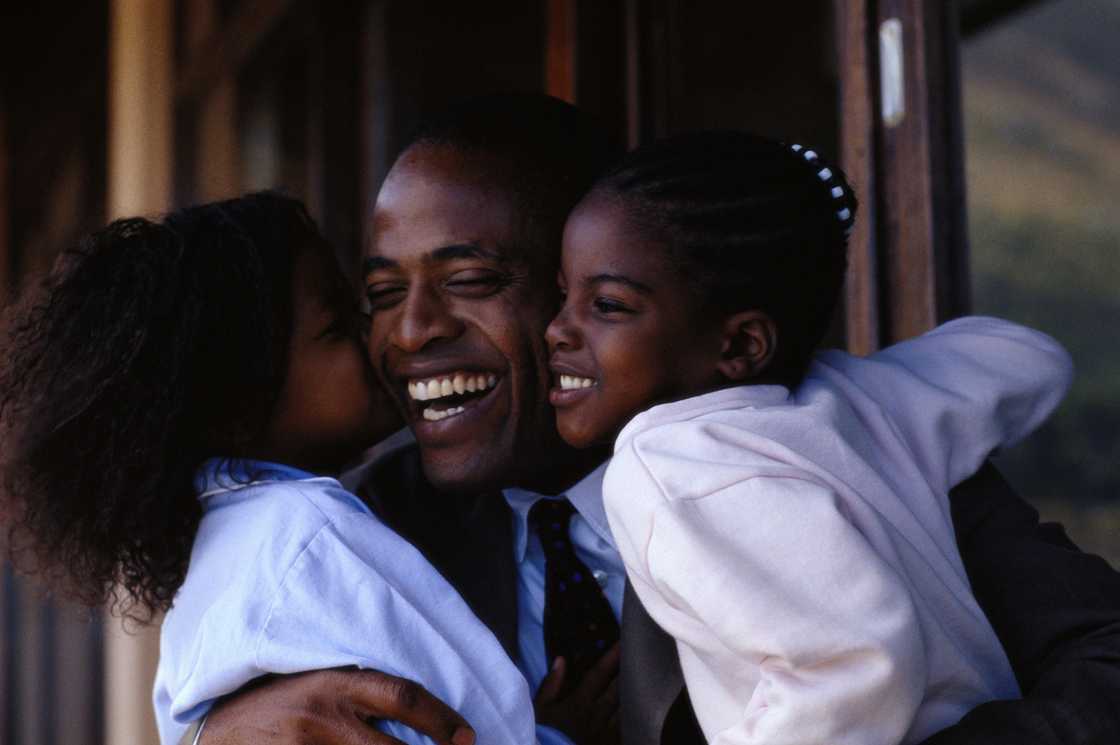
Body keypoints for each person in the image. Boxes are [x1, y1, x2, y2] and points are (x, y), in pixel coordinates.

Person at [192, 95, 1120, 745]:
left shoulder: (836, 447)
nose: (410, 330)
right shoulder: (359, 536)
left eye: (471, 280)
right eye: (382, 294)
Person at [544, 131, 1074, 744]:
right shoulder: (855, 405)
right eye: (564, 296)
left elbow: (849, 669)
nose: (558, 329)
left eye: (607, 305)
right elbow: (1023, 360)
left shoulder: (667, 466)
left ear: (742, 345)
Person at [0, 193, 536, 745]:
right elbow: (478, 731)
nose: (381, 335)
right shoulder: (309, 536)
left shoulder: (231, 548)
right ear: (237, 405)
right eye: (336, 327)